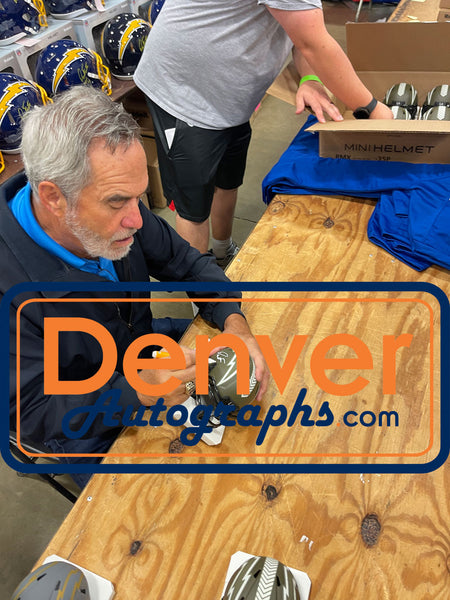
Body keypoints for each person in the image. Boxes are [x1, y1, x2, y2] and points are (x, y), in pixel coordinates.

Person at [1, 86, 268, 487]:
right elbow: (31, 414)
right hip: (84, 422)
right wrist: (135, 394)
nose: (138, 220)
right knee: (180, 502)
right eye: (117, 202)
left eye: (138, 197)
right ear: (53, 197)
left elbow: (185, 262)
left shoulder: (115, 208)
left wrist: (234, 323)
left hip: (140, 347)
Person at [133, 0, 393, 262]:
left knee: (227, 180)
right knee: (193, 206)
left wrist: (310, 78)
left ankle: (222, 252)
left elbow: (300, 31)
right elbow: (312, 43)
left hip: (227, 97)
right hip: (183, 93)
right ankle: (200, 285)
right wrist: (372, 109)